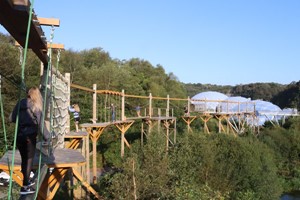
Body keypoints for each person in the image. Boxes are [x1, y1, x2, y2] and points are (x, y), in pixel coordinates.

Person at [10, 87, 43, 195]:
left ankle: (26, 183)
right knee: (29, 160)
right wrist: (47, 137)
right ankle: (25, 187)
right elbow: (41, 125)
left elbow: (13, 118)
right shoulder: (35, 106)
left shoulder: (20, 103)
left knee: (24, 160)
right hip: (29, 137)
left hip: (19, 136)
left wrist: (22, 119)